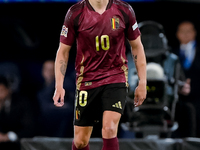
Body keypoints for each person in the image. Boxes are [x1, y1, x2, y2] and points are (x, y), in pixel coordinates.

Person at [53, 0, 147, 149]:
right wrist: (59, 85)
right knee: (80, 141)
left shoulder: (124, 10)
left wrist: (142, 82)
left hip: (116, 77)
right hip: (87, 80)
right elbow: (63, 52)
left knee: (109, 128)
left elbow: (137, 47)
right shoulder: (75, 13)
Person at [173, 21, 200, 137]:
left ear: (194, 33)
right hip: (178, 102)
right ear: (177, 34)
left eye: (188, 31)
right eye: (182, 31)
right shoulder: (171, 54)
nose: (185, 34)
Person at [0, 75, 36, 144]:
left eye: (1, 91)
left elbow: (30, 128)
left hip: (20, 143)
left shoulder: (23, 103)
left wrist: (9, 136)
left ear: (8, 90)